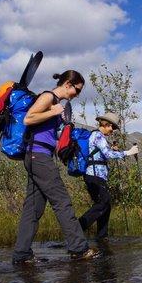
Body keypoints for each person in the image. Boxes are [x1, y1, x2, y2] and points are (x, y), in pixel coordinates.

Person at [12, 70, 99, 264]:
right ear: (68, 84)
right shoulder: (48, 96)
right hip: (38, 157)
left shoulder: (56, 103)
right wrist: (54, 111)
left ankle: (21, 254)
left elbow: (49, 133)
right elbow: (29, 118)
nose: (76, 95)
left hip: (36, 156)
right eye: (77, 90)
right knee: (62, 201)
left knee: (33, 209)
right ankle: (79, 249)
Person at [78, 112, 138, 249]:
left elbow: (103, 153)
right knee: (103, 202)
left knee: (106, 205)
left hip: (96, 176)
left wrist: (112, 149)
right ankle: (78, 227)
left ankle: (102, 237)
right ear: (106, 124)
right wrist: (129, 152)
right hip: (94, 176)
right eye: (112, 127)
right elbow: (108, 155)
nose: (113, 130)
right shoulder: (98, 135)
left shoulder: (99, 137)